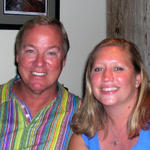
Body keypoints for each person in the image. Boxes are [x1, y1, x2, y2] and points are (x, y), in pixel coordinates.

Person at [0, 15, 81, 150]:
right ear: (17, 56)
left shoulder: (82, 114)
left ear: (63, 61)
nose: (39, 63)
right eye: (30, 51)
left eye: (51, 53)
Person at [68, 38, 150, 150]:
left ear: (137, 79)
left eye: (117, 68)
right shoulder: (84, 138)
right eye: (98, 69)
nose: (106, 77)